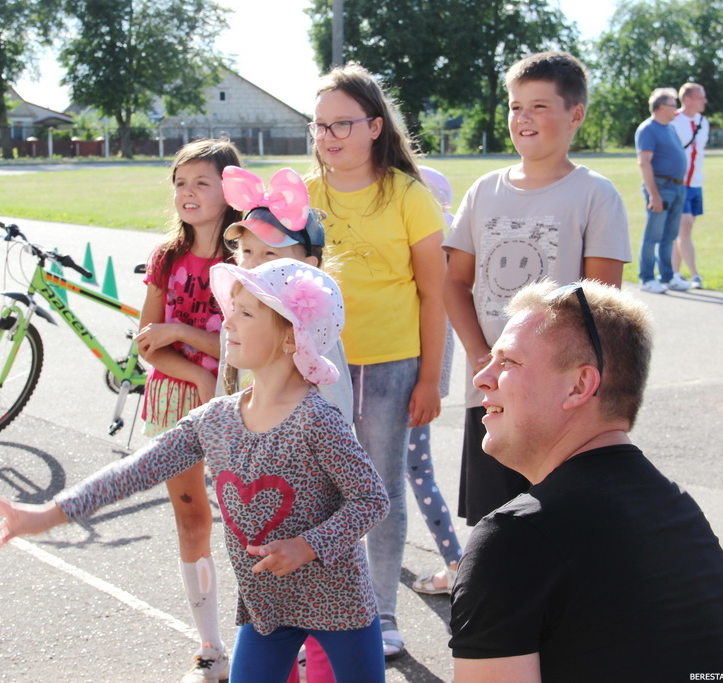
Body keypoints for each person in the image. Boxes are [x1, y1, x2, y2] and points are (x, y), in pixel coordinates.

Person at [0, 258, 391, 683]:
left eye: (246, 313)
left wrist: (307, 545)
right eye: (231, 310)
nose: (227, 322)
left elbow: (371, 500)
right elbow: (138, 470)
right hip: (266, 610)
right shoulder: (215, 418)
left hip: (339, 606)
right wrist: (50, 514)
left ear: (291, 337)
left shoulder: (317, 420)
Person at [449, 279, 723, 682]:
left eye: (509, 361)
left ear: (580, 385)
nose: (482, 377)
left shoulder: (515, 539)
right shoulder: (675, 509)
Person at [443, 51, 632, 530]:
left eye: (539, 106)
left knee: (561, 529)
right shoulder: (484, 190)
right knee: (495, 530)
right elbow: (454, 282)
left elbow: (601, 306)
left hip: (559, 404)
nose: (523, 118)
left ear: (575, 115)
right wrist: (479, 352)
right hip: (491, 394)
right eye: (515, 106)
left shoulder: (596, 195)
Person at [305, 61, 448, 660]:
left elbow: (434, 294)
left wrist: (431, 379)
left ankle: (380, 613)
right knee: (318, 490)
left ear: (374, 126)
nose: (330, 135)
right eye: (320, 125)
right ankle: (319, 612)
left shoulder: (409, 196)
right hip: (317, 366)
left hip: (392, 367)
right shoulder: (301, 198)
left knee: (379, 488)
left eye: (343, 123)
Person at [216, 164, 347, 683]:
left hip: (314, 520)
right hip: (260, 510)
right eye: (246, 253)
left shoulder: (314, 346)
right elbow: (231, 406)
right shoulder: (244, 326)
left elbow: (337, 435)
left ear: (310, 269)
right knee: (268, 618)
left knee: (321, 627)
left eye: (271, 256)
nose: (253, 267)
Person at [135, 138, 241, 683]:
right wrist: (197, 372)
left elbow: (251, 342)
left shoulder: (248, 252)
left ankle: (275, 637)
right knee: (194, 519)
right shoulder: (167, 257)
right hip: (175, 400)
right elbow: (146, 343)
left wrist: (181, 330)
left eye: (202, 182)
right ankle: (211, 647)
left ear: (231, 188)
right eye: (180, 182)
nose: (188, 192)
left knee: (253, 521)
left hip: (241, 401)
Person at [409, 166, 462, 596]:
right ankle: (455, 561)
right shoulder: (443, 241)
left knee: (413, 472)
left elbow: (439, 324)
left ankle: (456, 561)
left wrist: (431, 384)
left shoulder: (430, 247)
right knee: (411, 472)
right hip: (409, 377)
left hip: (408, 378)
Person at [635, 87, 690, 294]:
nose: (676, 110)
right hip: (661, 187)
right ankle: (647, 278)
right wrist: (654, 194)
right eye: (673, 105)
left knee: (670, 235)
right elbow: (644, 162)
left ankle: (667, 277)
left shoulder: (670, 128)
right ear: (661, 107)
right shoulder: (648, 129)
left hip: (677, 186)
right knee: (653, 235)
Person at [671, 82, 710, 289]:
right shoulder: (673, 120)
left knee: (684, 230)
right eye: (700, 97)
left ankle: (674, 273)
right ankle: (695, 275)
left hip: (696, 184)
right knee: (684, 227)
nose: (705, 101)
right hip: (679, 184)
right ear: (687, 99)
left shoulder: (704, 122)